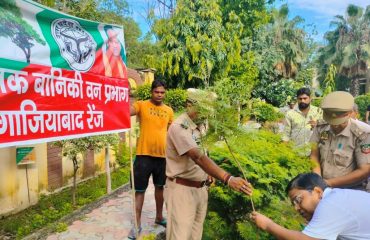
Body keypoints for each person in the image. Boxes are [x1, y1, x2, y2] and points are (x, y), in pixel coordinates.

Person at [164, 89, 253, 240]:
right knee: (179, 236)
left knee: (196, 236)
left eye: (208, 111)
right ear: (189, 105)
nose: (206, 115)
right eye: (202, 110)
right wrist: (227, 178)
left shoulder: (201, 125)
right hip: (182, 191)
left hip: (200, 189)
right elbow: (197, 157)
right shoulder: (180, 127)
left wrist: (209, 175)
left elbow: (204, 151)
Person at [251, 172, 370, 240]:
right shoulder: (337, 197)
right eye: (293, 204)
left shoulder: (329, 204)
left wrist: (268, 225)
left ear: (317, 192)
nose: (296, 208)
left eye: (298, 200)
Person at [128, 80, 174, 239]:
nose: (160, 95)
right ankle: (137, 224)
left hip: (162, 157)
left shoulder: (169, 110)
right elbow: (128, 111)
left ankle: (159, 217)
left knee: (160, 188)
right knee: (139, 190)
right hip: (143, 156)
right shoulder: (141, 105)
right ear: (151, 92)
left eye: (162, 92)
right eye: (157, 92)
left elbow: (172, 132)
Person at [310, 91, 370, 191]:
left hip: (351, 189)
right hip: (322, 185)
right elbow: (314, 155)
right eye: (331, 121)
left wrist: (328, 183)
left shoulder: (363, 133)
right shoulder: (321, 127)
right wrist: (318, 180)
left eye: (339, 121)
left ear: (350, 113)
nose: (335, 125)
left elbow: (365, 170)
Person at [282, 87, 322, 156]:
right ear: (297, 99)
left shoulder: (318, 112)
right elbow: (286, 135)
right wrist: (284, 152)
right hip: (295, 153)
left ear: (310, 98)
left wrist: (317, 127)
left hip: (314, 154)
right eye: (300, 99)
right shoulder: (290, 113)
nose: (302, 101)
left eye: (305, 98)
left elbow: (326, 133)